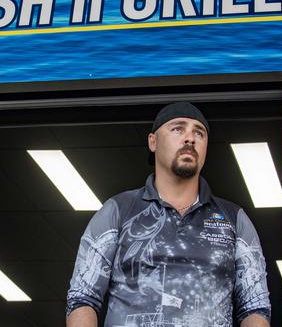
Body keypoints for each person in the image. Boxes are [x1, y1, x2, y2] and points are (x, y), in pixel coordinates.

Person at [66, 102, 271, 327]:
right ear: (153, 141)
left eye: (199, 133)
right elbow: (82, 298)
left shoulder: (234, 219)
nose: (190, 138)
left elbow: (255, 308)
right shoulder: (118, 210)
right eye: (178, 128)